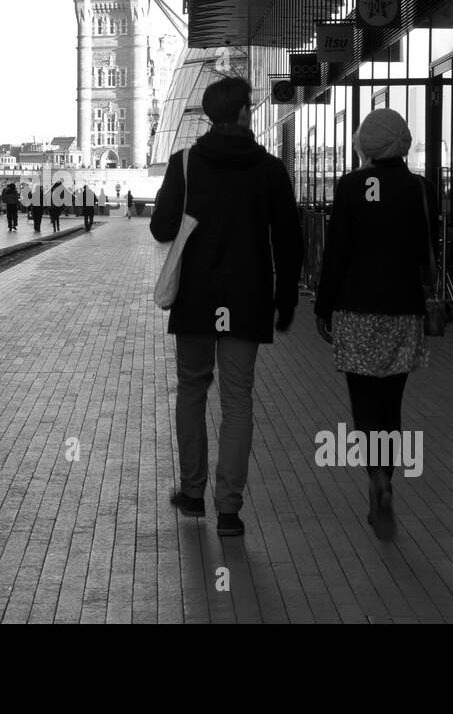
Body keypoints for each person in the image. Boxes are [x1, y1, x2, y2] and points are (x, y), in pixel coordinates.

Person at [151, 76, 304, 537]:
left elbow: (160, 228)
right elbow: (289, 240)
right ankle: (229, 512)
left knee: (192, 390)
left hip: (196, 300)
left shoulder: (185, 164)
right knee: (238, 401)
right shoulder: (271, 169)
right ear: (243, 113)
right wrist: (286, 299)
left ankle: (193, 493)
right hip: (247, 296)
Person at [312, 107, 438, 542]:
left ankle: (376, 477)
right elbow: (425, 251)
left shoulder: (349, 186)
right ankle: (387, 477)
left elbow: (337, 254)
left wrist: (322, 307)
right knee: (391, 404)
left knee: (364, 404)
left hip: (356, 310)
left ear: (366, 142)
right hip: (403, 311)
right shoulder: (420, 189)